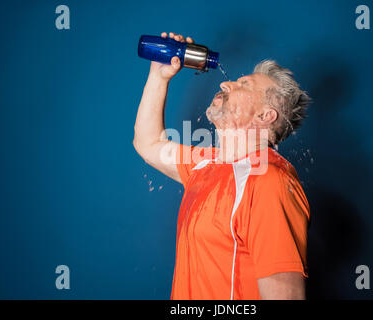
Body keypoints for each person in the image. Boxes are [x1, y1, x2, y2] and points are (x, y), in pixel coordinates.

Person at [133, 32, 311, 300]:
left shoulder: (269, 183)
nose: (227, 83)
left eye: (244, 84)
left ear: (265, 116)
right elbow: (148, 143)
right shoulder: (206, 164)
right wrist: (159, 77)